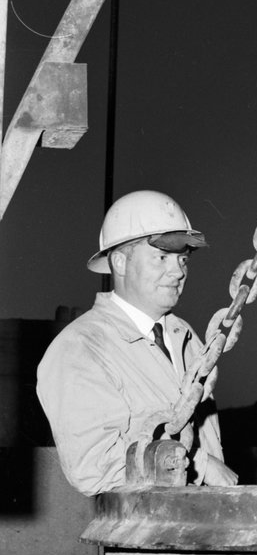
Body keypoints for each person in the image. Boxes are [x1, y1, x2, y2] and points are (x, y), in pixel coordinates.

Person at [37, 190, 234, 495]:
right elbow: (94, 467)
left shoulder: (185, 337)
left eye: (183, 259)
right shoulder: (80, 347)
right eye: (162, 257)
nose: (178, 271)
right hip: (142, 524)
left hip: (203, 516)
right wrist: (199, 464)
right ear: (120, 262)